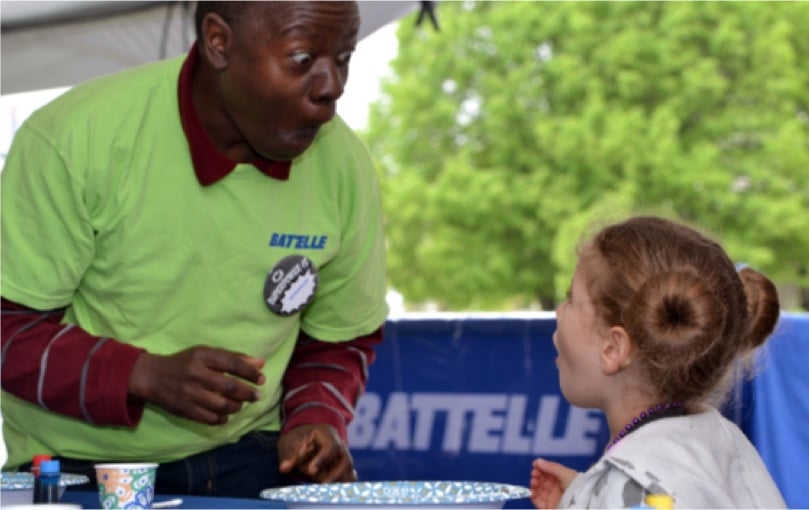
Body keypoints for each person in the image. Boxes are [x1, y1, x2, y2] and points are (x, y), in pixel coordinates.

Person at [0, 1, 389, 499]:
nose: (331, 84)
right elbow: (8, 330)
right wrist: (141, 374)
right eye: (301, 58)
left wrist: (315, 417)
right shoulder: (77, 139)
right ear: (219, 41)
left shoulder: (343, 167)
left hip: (254, 454)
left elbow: (340, 338)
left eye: (344, 58)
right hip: (79, 469)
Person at [529, 216, 786, 509]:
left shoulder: (634, 488)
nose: (559, 312)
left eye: (570, 299)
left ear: (613, 349)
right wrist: (584, 495)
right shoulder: (723, 441)